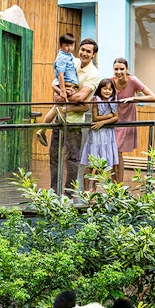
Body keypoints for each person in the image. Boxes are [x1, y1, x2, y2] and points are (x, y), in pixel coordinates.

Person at [49, 38, 100, 196]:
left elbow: (81, 97)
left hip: (75, 121)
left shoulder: (94, 74)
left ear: (93, 55)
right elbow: (55, 82)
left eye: (88, 51)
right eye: (82, 49)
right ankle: (54, 190)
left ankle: (69, 193)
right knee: (54, 153)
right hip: (60, 116)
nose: (84, 53)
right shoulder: (71, 61)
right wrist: (62, 94)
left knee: (72, 157)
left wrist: (62, 98)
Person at [110, 58, 155, 183]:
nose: (119, 72)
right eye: (116, 69)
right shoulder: (110, 81)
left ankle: (118, 186)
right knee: (113, 153)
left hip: (126, 119)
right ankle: (114, 184)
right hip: (112, 119)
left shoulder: (133, 80)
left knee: (118, 151)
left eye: (121, 69)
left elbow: (153, 97)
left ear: (127, 70)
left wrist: (133, 99)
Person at [36, 33, 79, 147]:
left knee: (56, 108)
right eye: (66, 45)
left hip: (67, 85)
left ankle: (42, 130)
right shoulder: (62, 57)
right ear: (60, 45)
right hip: (66, 84)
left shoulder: (68, 56)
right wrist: (63, 91)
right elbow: (60, 75)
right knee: (58, 109)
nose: (69, 48)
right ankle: (42, 130)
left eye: (71, 45)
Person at [79, 78, 118, 192]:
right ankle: (85, 189)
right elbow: (95, 117)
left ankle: (94, 188)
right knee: (91, 162)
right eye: (104, 88)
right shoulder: (96, 99)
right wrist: (108, 116)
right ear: (100, 89)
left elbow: (116, 117)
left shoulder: (113, 100)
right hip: (96, 134)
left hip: (107, 134)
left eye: (110, 89)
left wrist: (103, 122)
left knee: (103, 162)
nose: (107, 91)